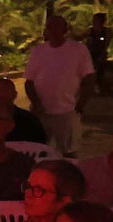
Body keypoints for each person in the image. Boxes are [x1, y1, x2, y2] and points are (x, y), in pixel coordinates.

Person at [25, 14, 97, 157]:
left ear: (65, 30)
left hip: (67, 111)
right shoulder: (38, 51)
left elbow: (89, 78)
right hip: (42, 111)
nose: (52, 31)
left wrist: (80, 106)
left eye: (56, 27)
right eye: (49, 27)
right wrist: (36, 102)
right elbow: (29, 81)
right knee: (38, 150)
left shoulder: (78, 50)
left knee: (68, 152)